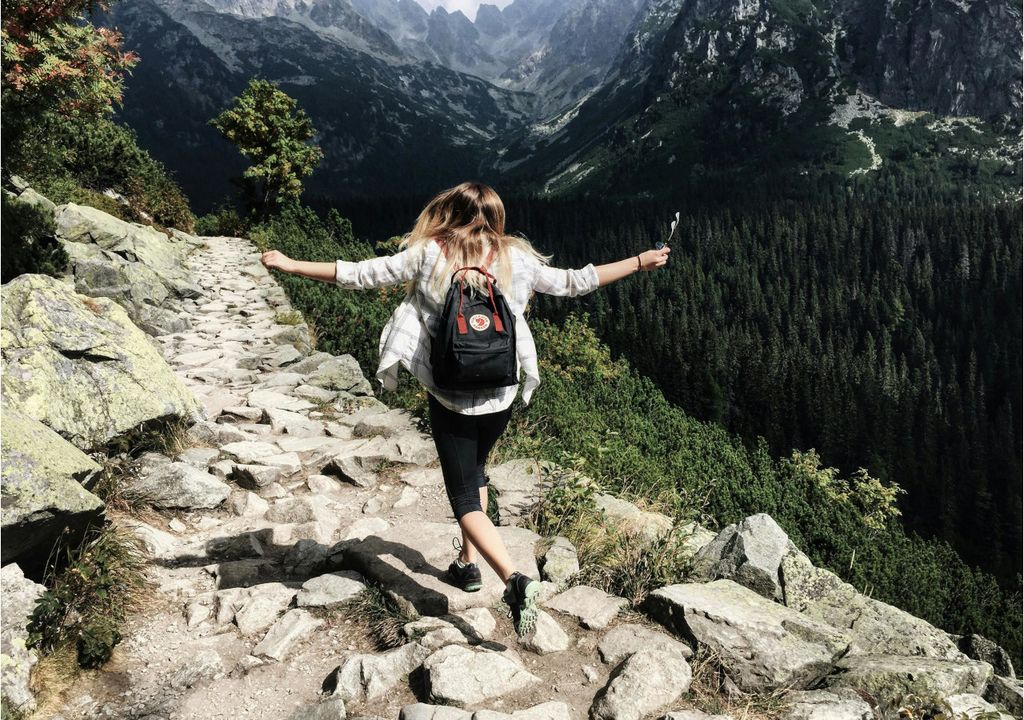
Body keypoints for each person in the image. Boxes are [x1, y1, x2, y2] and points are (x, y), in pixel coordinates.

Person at [260, 181, 671, 635]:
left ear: (449, 213)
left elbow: (360, 274)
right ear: (497, 217)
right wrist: (639, 261)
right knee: (477, 472)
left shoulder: (428, 254)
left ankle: (514, 580)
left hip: (450, 395)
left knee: (463, 496)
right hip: (501, 391)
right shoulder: (516, 258)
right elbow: (577, 282)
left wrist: (292, 265)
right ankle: (466, 563)